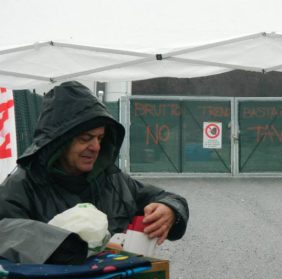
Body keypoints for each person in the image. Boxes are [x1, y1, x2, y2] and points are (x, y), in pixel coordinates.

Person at [0, 81, 189, 264]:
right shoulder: (21, 186)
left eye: (100, 138)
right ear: (59, 142)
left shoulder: (113, 180)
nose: (96, 147)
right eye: (86, 138)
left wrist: (171, 210)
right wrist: (62, 244)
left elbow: (167, 198)